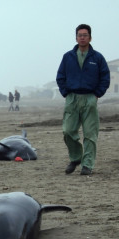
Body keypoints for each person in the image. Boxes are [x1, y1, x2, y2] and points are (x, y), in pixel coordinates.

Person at [57, 24, 110, 176]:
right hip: (72, 98)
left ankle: (87, 165)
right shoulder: (68, 57)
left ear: (90, 37)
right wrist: (66, 93)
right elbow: (60, 76)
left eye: (85, 35)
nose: (82, 37)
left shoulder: (97, 57)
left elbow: (105, 78)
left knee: (90, 134)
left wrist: (97, 94)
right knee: (68, 131)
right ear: (76, 38)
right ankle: (75, 158)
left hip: (90, 98)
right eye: (79, 35)